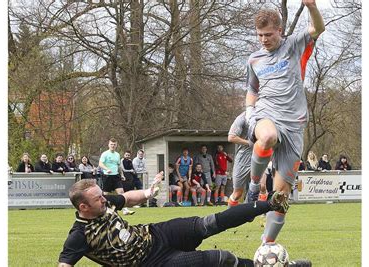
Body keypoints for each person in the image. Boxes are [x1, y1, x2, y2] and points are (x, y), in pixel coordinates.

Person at [57, 171, 291, 267]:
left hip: (156, 233)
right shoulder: (79, 236)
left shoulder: (104, 202)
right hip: (153, 262)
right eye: (98, 199)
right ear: (84, 207)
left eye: (102, 195)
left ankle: (270, 203)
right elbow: (64, 264)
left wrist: (148, 193)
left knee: (208, 223)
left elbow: (127, 198)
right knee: (223, 258)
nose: (105, 200)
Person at [244, 1, 325, 245]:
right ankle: (253, 185)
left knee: (280, 200)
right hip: (266, 114)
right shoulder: (254, 60)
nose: (264, 40)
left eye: (268, 34)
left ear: (280, 31)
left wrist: (311, 7)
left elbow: (318, 28)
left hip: (294, 125)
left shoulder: (293, 45)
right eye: (259, 35)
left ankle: (266, 246)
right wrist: (249, 113)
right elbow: (251, 89)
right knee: (266, 137)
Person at [98, 138, 133, 215]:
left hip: (116, 176)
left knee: (121, 192)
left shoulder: (117, 155)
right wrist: (106, 169)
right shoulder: (105, 154)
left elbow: (119, 166)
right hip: (107, 176)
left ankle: (125, 209)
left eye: (114, 144)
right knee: (105, 195)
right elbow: (100, 164)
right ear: (108, 145)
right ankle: (101, 210)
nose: (113, 146)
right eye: (111, 144)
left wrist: (122, 175)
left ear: (116, 145)